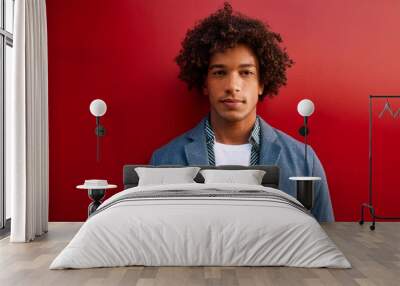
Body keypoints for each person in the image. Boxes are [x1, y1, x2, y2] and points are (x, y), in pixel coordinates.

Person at [149, 3, 334, 222]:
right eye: (219, 72)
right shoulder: (164, 159)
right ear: (205, 82)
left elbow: (324, 240)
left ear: (262, 84)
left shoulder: (304, 161)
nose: (233, 85)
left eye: (246, 72)